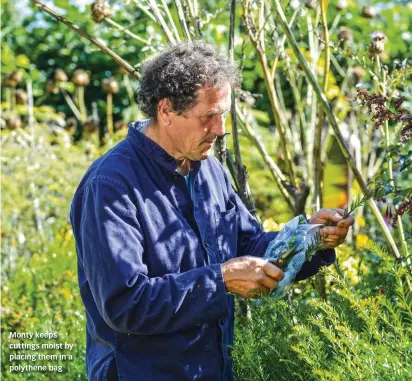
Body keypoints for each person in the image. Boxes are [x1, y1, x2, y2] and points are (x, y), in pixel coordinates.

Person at [70, 40, 354, 381]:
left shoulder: (208, 170)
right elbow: (126, 304)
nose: (220, 130)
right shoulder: (111, 185)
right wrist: (221, 280)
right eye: (209, 117)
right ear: (166, 110)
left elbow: (246, 246)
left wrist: (309, 238)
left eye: (223, 115)